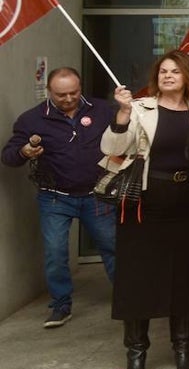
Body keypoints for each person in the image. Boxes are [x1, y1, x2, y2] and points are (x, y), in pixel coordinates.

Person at [101, 52, 189, 369]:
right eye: (163, 71)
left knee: (182, 277)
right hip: (143, 204)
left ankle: (183, 349)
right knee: (138, 279)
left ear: (187, 75)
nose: (169, 76)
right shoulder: (140, 108)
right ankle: (136, 353)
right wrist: (121, 113)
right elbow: (111, 146)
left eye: (176, 71)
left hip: (187, 202)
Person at [2, 67, 117, 328]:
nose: (68, 99)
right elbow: (8, 156)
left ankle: (125, 297)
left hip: (97, 194)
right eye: (61, 94)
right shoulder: (31, 119)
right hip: (55, 198)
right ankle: (60, 305)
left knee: (113, 247)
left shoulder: (102, 110)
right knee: (55, 253)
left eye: (73, 93)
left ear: (80, 88)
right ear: (49, 92)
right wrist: (25, 151)